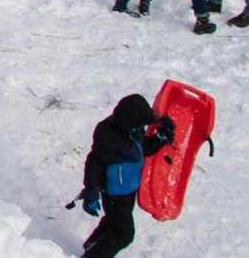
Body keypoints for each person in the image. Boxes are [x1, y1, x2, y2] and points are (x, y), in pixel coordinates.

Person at [74, 94, 174, 258]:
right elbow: (94, 162)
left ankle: (91, 246)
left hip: (128, 188)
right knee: (123, 235)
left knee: (113, 222)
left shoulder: (133, 128)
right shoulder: (109, 136)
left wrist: (161, 137)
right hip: (114, 192)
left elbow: (144, 149)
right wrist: (91, 190)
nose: (143, 126)